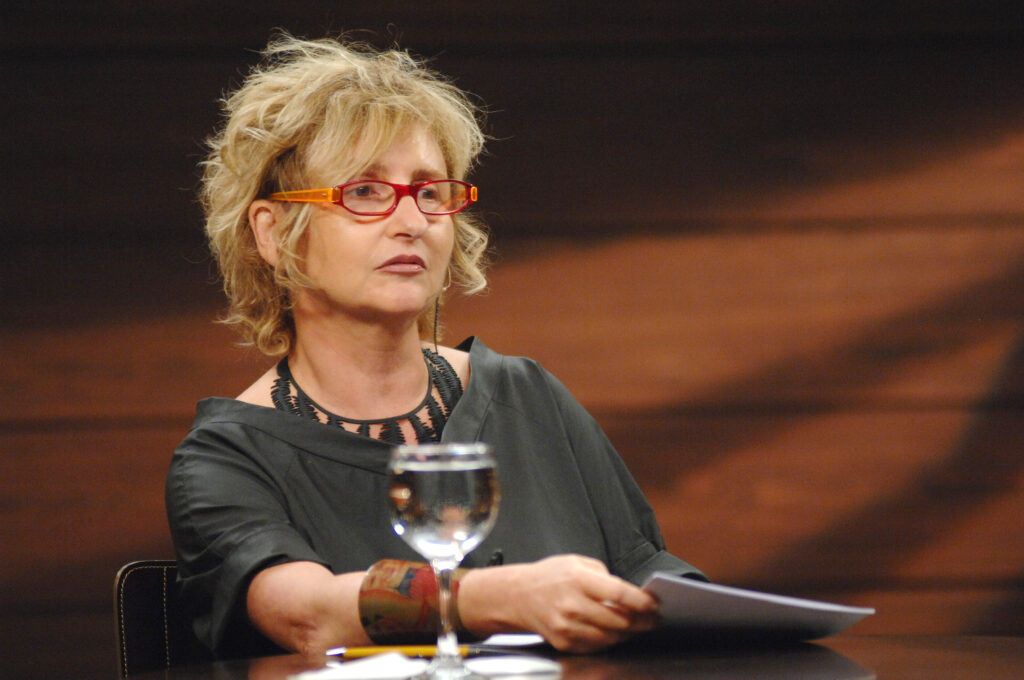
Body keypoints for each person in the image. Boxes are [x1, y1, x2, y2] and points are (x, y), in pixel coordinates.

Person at [165, 33, 704, 661]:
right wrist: (503, 596)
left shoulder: (527, 395)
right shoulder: (225, 458)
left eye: (428, 192)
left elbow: (646, 574)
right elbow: (308, 615)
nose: (412, 221)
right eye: (364, 192)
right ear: (274, 232)